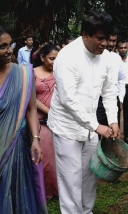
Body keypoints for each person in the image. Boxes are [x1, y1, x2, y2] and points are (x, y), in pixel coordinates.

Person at [47, 11, 120, 214]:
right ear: (85, 35)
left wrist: (113, 120)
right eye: (100, 38)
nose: (105, 43)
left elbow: (109, 90)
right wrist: (97, 126)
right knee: (70, 178)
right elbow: (68, 99)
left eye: (107, 38)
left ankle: (86, 211)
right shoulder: (68, 56)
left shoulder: (107, 58)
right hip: (66, 128)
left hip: (90, 129)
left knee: (89, 174)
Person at [0, 26, 47, 213]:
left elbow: (31, 108)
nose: (9, 50)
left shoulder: (24, 74)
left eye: (9, 45)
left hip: (16, 145)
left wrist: (35, 139)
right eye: (2, 46)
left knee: (15, 189)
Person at [33, 43, 59, 199]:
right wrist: (50, 112)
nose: (55, 62)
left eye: (58, 59)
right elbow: (32, 99)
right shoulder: (32, 73)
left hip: (58, 121)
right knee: (46, 157)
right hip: (39, 121)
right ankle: (45, 192)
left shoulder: (60, 73)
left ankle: (56, 190)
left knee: (57, 158)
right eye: (51, 59)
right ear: (42, 57)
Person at [96, 28, 125, 141]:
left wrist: (120, 98)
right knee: (98, 128)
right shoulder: (96, 57)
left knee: (112, 126)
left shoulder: (116, 58)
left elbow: (121, 79)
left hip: (113, 98)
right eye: (109, 40)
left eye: (114, 41)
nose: (111, 44)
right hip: (97, 100)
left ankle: (110, 152)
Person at [117, 38, 128, 145]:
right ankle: (116, 134)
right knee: (116, 111)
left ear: (127, 49)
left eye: (125, 48)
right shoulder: (114, 61)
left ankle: (127, 136)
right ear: (117, 48)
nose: (123, 50)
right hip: (117, 88)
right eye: (121, 48)